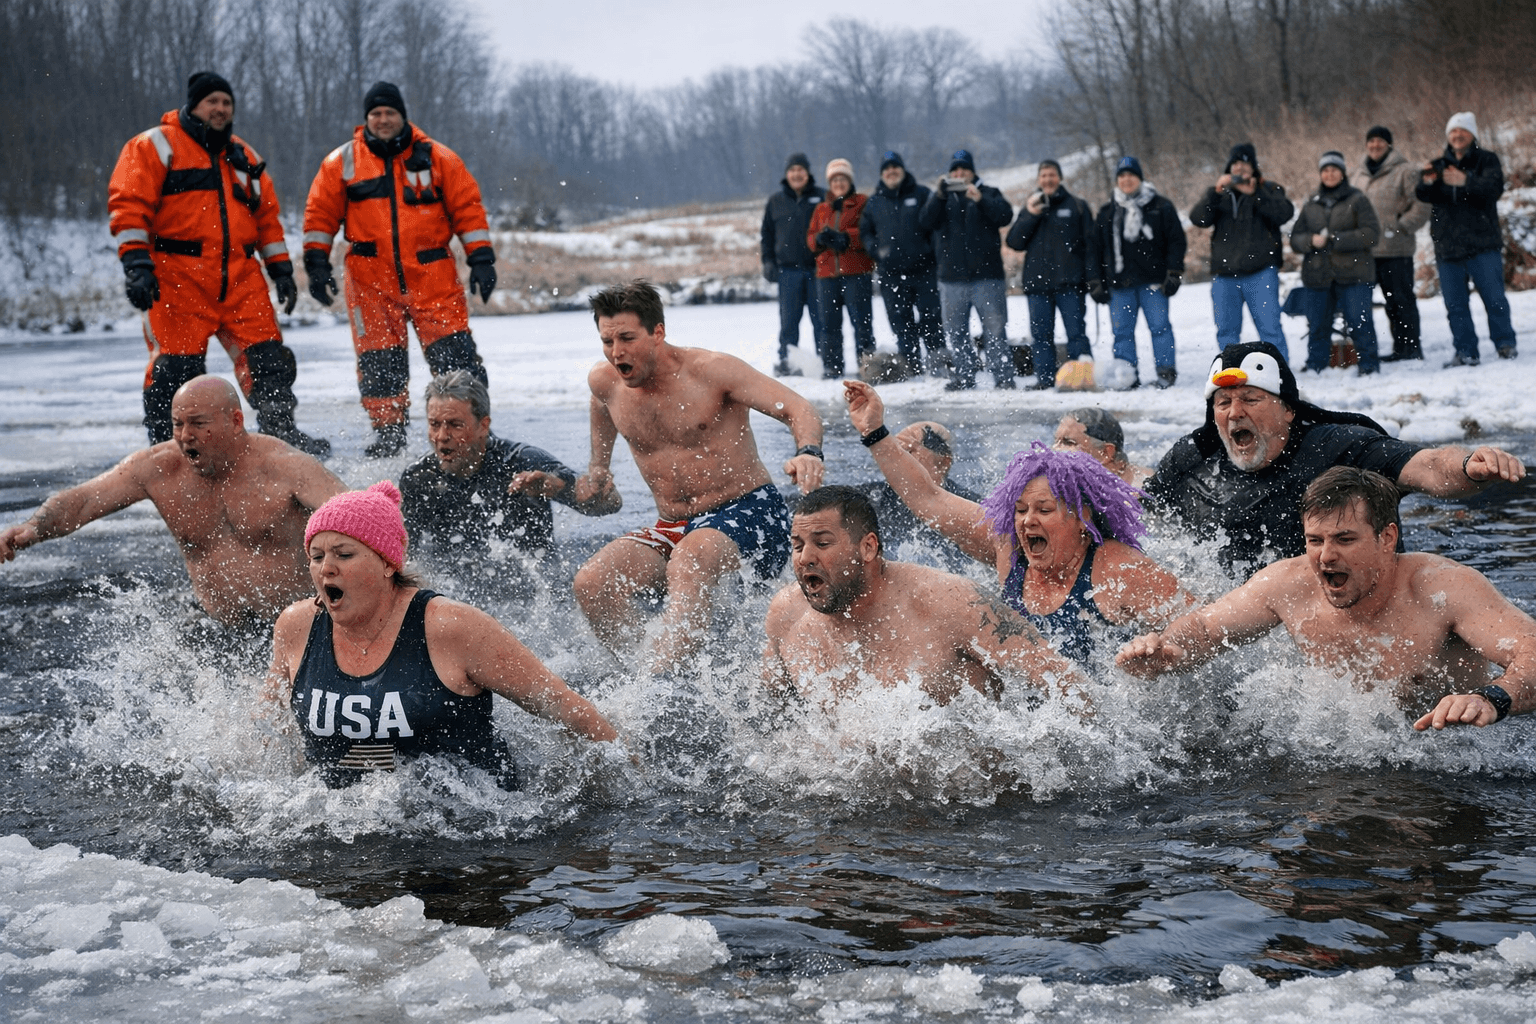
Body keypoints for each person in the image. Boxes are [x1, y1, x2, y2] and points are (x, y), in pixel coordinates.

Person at [261, 482, 621, 788]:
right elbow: (267, 730)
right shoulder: (297, 627)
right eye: (316, 556)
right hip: (346, 832)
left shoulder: (451, 628)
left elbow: (568, 709)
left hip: (471, 831)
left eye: (344, 554)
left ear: (388, 563)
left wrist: (631, 784)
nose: (327, 568)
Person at [1119, 467, 1536, 729]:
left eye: (1345, 539)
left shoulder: (1443, 588)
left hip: (1459, 759)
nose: (1325, 557)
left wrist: (1491, 699)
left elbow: (1530, 650)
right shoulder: (1289, 583)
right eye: (1314, 540)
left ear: (1387, 537)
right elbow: (1207, 628)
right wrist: (1168, 649)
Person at [571, 281, 826, 672]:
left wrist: (807, 451)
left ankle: (663, 683)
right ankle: (647, 676)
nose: (616, 352)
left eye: (626, 338)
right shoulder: (605, 382)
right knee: (592, 583)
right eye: (607, 340)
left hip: (751, 511)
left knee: (690, 558)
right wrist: (599, 466)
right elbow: (601, 405)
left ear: (658, 332)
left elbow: (798, 408)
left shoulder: (711, 371)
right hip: (675, 525)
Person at [845, 381, 1189, 664]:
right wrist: (874, 432)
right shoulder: (1007, 546)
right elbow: (929, 499)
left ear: (1083, 517)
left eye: (1043, 509)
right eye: (1020, 509)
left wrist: (1158, 649)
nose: (1027, 521)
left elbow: (1202, 626)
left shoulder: (1118, 568)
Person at [1143, 342, 1526, 576]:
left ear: (1290, 410)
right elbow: (1144, 518)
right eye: (1223, 403)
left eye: (1251, 399)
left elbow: (1425, 466)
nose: (1234, 412)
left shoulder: (1340, 448)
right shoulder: (1192, 463)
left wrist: (1468, 467)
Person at [0, 377, 344, 630]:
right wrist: (35, 528)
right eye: (178, 424)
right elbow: (85, 499)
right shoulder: (160, 468)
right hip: (217, 630)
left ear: (235, 421)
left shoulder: (284, 466)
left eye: (198, 423)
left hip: (299, 627)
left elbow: (358, 514)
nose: (184, 436)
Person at [108, 71, 329, 456]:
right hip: (178, 276)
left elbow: (267, 219)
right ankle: (168, 451)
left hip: (241, 276)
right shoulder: (154, 146)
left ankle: (280, 434)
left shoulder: (245, 156)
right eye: (212, 101)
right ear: (194, 105)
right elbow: (129, 206)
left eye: (226, 102)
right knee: (175, 372)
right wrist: (137, 264)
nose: (220, 109)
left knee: (269, 359)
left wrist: (281, 271)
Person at [302, 82, 498, 457]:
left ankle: (471, 431)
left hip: (432, 274)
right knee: (379, 362)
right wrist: (315, 263)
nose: (383, 119)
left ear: (403, 115)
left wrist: (482, 259)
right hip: (368, 278)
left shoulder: (438, 158)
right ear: (366, 119)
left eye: (390, 112)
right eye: (376, 113)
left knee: (456, 360)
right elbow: (319, 215)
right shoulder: (341, 162)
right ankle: (388, 436)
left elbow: (468, 209)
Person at [763, 485, 1085, 708]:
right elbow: (769, 713)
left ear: (868, 547)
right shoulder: (786, 614)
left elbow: (1067, 684)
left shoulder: (952, 601)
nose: (804, 558)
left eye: (821, 543)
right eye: (797, 545)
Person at [399, 370, 621, 563]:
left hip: (533, 590)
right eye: (434, 424)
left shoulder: (523, 463)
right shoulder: (419, 479)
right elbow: (407, 561)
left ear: (483, 426)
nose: (441, 437)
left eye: (455, 425)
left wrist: (556, 488)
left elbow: (609, 504)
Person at [1416, 111, 1517, 366]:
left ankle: (1505, 344)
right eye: (1453, 132)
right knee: (1456, 306)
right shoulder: (1437, 165)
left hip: (1483, 245)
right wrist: (1426, 183)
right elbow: (1422, 194)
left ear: (1472, 134)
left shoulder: (1487, 160)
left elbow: (1494, 189)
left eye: (1462, 131)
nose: (1457, 135)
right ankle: (1466, 351)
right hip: (1448, 247)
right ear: (1448, 136)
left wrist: (1466, 180)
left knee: (1494, 299)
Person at [919, 149, 1016, 390]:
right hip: (951, 279)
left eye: (964, 169)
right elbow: (925, 222)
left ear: (972, 172)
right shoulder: (941, 198)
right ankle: (965, 375)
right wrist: (939, 196)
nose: (959, 173)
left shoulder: (989, 193)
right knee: (956, 332)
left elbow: (1004, 216)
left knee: (994, 331)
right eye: (955, 170)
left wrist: (980, 199)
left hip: (987, 277)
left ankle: (1003, 377)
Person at [1189, 143, 1295, 358]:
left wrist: (1255, 193)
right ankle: (1229, 373)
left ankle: (1278, 375)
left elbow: (1284, 214)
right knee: (1227, 332)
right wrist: (1215, 193)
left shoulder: (1269, 189)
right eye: (1235, 163)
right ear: (1229, 168)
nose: (1240, 168)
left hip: (1261, 272)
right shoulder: (1219, 193)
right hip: (1225, 275)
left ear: (1253, 167)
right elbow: (1199, 219)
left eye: (1245, 163)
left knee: (1270, 329)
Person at [1090, 156, 1185, 390]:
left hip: (1154, 282)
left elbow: (1176, 241)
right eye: (1121, 176)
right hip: (1120, 284)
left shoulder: (1161, 206)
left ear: (1140, 178)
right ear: (1117, 181)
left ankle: (1166, 372)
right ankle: (1126, 375)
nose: (1126, 179)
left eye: (1131, 175)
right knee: (1122, 333)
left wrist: (1174, 272)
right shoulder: (1107, 212)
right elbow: (1095, 250)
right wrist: (1095, 281)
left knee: (1160, 328)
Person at [1007, 159, 1099, 390]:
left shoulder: (1077, 206)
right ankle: (1045, 380)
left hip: (1071, 283)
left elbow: (1091, 245)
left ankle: (1082, 379)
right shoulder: (1030, 207)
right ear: (1038, 180)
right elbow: (1014, 241)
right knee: (1041, 336)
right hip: (1038, 285)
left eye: (1052, 175)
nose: (1048, 180)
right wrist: (1031, 214)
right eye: (1043, 176)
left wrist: (1094, 278)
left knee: (1076, 334)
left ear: (1059, 178)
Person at [1290, 151, 1382, 376]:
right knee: (1318, 325)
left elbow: (1371, 234)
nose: (1330, 174)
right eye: (1325, 170)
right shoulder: (1312, 202)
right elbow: (1295, 238)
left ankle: (1369, 365)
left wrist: (1337, 239)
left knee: (1360, 323)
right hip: (1318, 275)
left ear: (1342, 173)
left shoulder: (1357, 199)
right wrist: (1310, 240)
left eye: (1334, 170)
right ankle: (1316, 366)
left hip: (1354, 274)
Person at [845, 419, 979, 569]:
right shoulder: (870, 499)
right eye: (894, 452)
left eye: (908, 451)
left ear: (943, 461)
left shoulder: (973, 508)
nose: (898, 460)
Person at [859, 151, 943, 376]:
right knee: (901, 323)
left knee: (932, 319)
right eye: (886, 169)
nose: (891, 171)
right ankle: (912, 368)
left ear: (903, 170)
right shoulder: (874, 202)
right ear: (881, 174)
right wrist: (875, 250)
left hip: (925, 271)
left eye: (895, 167)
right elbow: (865, 232)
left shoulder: (922, 193)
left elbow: (935, 224)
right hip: (891, 274)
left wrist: (931, 251)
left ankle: (938, 366)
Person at [1351, 126, 1430, 362]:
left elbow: (1422, 205)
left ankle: (1409, 349)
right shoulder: (1358, 175)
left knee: (1400, 301)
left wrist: (1401, 226)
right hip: (1365, 252)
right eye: (1371, 141)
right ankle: (1368, 352)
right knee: (1361, 306)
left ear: (1389, 144)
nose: (1375, 145)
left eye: (1380, 141)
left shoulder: (1406, 171)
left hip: (1395, 249)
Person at [806, 158, 876, 379]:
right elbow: (809, 238)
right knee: (828, 325)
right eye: (834, 179)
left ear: (849, 181)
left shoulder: (862, 202)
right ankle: (832, 366)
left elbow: (869, 231)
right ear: (829, 183)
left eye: (842, 179)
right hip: (827, 275)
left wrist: (847, 238)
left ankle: (866, 365)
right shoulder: (822, 209)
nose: (838, 183)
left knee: (862, 323)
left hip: (856, 273)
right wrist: (819, 238)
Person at [760, 153, 826, 376]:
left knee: (822, 321)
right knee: (788, 324)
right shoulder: (776, 201)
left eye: (801, 170)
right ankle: (787, 364)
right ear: (786, 174)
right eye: (792, 170)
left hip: (818, 270)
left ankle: (826, 363)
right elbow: (766, 236)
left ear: (808, 174)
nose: (796, 174)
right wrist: (768, 262)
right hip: (788, 272)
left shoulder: (822, 197)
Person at [1052, 408, 1151, 488]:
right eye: (1056, 441)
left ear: (1105, 453)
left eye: (1069, 443)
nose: (1054, 449)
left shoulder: (1143, 488)